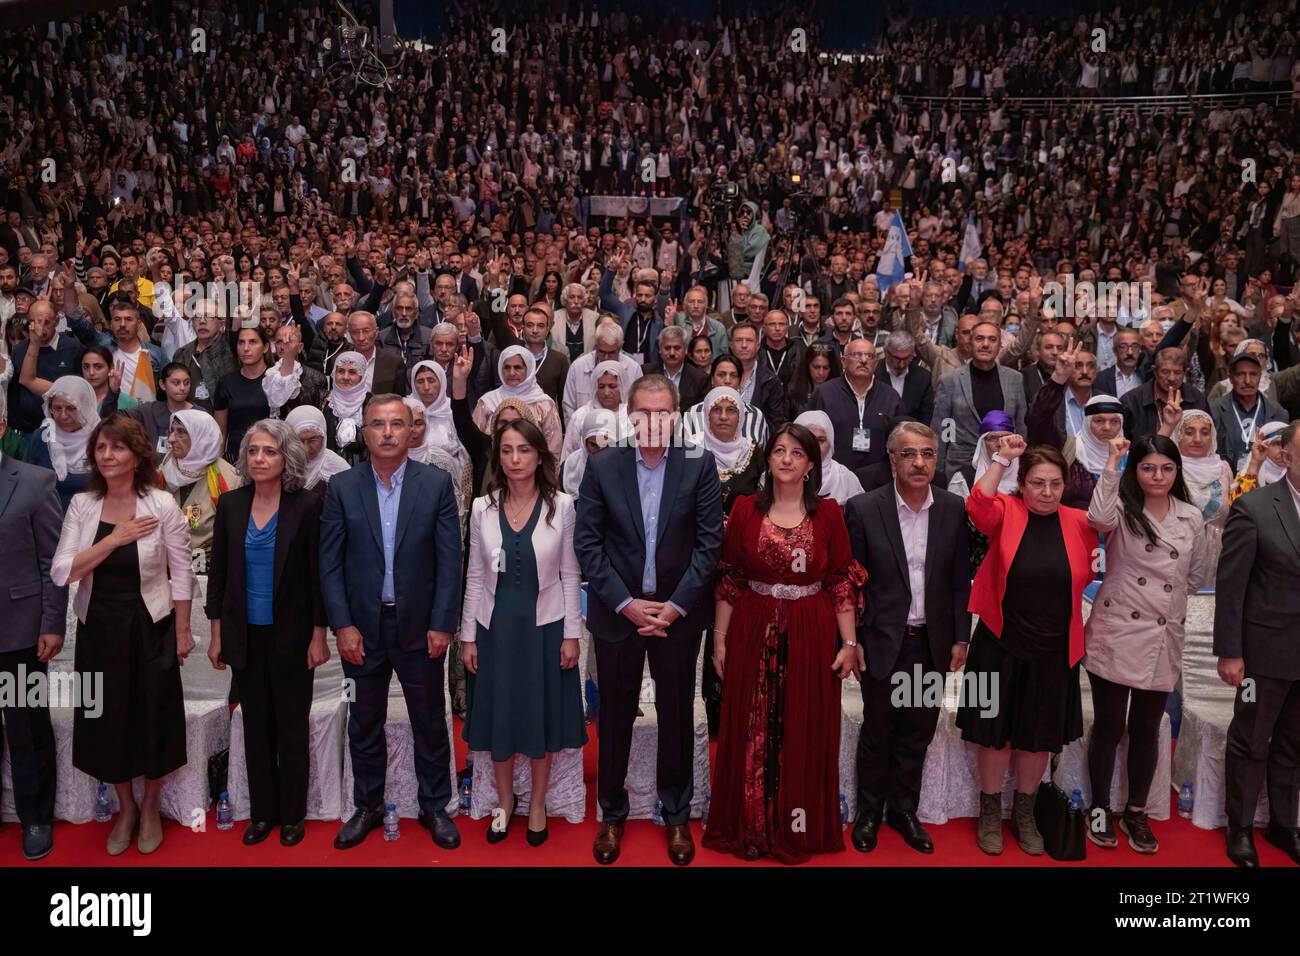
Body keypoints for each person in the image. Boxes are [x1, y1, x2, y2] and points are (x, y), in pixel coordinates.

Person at [575, 374, 723, 866]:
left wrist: (675, 606)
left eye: (664, 413)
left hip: (679, 617)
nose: (654, 422)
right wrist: (626, 603)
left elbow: (709, 545)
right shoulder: (602, 466)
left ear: (677, 416)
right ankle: (612, 814)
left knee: (678, 715)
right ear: (629, 416)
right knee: (614, 716)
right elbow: (589, 545)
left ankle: (676, 814)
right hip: (619, 615)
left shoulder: (700, 466)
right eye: (644, 413)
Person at [704, 423, 861, 863]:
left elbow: (839, 582)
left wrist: (849, 642)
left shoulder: (829, 514)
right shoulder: (744, 510)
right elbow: (731, 578)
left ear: (811, 464)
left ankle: (797, 827)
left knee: (802, 725)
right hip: (753, 627)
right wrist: (720, 639)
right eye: (779, 450)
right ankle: (750, 826)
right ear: (768, 459)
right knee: (751, 725)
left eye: (797, 452)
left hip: (810, 629)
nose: (787, 459)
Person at [320, 393, 463, 851]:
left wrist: (443, 624)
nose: (386, 432)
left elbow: (448, 561)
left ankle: (435, 805)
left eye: (396, 424)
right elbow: (330, 564)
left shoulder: (436, 485)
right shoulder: (342, 487)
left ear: (411, 430)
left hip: (420, 630)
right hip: (360, 632)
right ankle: (367, 806)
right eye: (377, 424)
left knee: (429, 720)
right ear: (364, 433)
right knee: (363, 719)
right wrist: (341, 625)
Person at [51, 414, 194, 855]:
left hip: (151, 623)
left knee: (154, 716)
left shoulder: (161, 505)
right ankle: (125, 806)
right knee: (105, 720)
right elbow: (62, 571)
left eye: (117, 447)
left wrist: (184, 631)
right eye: (101, 448)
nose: (108, 456)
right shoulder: (83, 505)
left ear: (136, 455)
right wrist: (116, 538)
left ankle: (151, 806)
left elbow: (182, 571)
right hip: (100, 628)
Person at [957, 438, 1098, 856]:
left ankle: (1024, 812)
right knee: (994, 734)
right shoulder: (1006, 510)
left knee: (1038, 738)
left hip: (1055, 649)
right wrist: (1003, 458)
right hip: (1000, 642)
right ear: (1023, 484)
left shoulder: (1079, 521)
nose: (1048, 492)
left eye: (1055, 484)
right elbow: (976, 504)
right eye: (1038, 483)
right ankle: (988, 812)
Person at [844, 421, 971, 855]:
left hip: (931, 642)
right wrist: (853, 639)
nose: (920, 463)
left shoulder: (954, 509)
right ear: (892, 459)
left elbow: (959, 580)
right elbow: (851, 585)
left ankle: (904, 811)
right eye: (909, 454)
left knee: (918, 731)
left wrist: (960, 636)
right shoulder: (863, 509)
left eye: (928, 454)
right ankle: (867, 814)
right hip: (882, 640)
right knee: (879, 730)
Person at [1083, 433, 1212, 854]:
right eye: (1148, 467)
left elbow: (1194, 576)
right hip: (1119, 627)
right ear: (1134, 472)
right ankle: (1099, 809)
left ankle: (1136, 812)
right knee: (1108, 726)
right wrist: (1111, 463)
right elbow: (1097, 520)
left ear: (1177, 472)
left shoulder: (1192, 516)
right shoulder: (1121, 507)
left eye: (1166, 467)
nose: (1158, 475)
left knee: (1145, 729)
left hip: (1162, 632)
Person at [460, 419, 586, 845]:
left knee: (541, 713)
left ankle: (536, 803)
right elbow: (475, 576)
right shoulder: (483, 508)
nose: (515, 459)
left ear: (539, 456)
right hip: (494, 629)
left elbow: (571, 575)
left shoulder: (563, 506)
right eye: (507, 450)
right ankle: (504, 800)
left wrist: (573, 635)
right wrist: (467, 636)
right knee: (498, 713)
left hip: (545, 630)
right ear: (498, 456)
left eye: (524, 450)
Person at [206, 419, 329, 848]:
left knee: (291, 727)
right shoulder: (231, 504)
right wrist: (216, 633)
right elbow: (218, 574)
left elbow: (318, 577)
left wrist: (319, 634)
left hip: (293, 636)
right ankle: (262, 813)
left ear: (287, 457)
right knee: (255, 727)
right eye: (253, 451)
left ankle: (293, 813)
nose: (259, 458)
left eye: (269, 451)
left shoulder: (308, 505)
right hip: (244, 635)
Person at [1214, 420, 1300, 868]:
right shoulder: (1254, 508)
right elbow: (1231, 588)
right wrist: (1230, 652)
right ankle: (1240, 827)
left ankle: (1285, 825)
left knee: (1293, 742)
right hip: (1263, 652)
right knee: (1251, 740)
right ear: (1285, 455)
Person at [0, 389, 68, 861]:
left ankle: (36, 817)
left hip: (20, 629)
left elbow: (55, 564)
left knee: (26, 727)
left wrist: (51, 624)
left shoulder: (35, 481)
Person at [931, 320, 1029, 483]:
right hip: (961, 468)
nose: (985, 344)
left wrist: (1021, 462)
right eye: (979, 339)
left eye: (992, 339)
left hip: (1005, 466)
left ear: (1000, 345)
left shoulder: (1015, 379)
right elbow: (943, 429)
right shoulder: (950, 380)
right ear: (970, 344)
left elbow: (1020, 426)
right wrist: (938, 472)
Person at [160, 409, 242, 574]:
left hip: (207, 569)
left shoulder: (229, 480)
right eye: (172, 431)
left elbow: (234, 536)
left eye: (181, 432)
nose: (171, 439)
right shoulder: (162, 471)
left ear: (202, 438)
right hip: (163, 566)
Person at [807, 338, 903, 473]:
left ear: (875, 363)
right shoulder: (825, 393)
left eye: (869, 356)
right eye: (856, 355)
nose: (863, 360)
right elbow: (808, 437)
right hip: (833, 476)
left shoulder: (890, 396)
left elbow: (898, 441)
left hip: (877, 478)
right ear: (843, 361)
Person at [473, 346, 564, 457]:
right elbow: (474, 439)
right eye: (507, 367)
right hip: (493, 465)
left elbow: (553, 446)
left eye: (517, 367)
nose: (512, 373)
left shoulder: (544, 404)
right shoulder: (488, 402)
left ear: (529, 369)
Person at [24, 376, 99, 509]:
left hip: (91, 518)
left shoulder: (101, 439)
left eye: (71, 408)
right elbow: (26, 482)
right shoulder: (43, 437)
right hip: (47, 521)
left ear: (85, 407)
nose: (63, 416)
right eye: (57, 408)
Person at [1163, 408, 1233, 527]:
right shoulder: (1168, 468)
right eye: (1189, 433)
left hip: (1220, 543)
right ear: (1177, 436)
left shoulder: (1223, 468)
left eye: (1205, 433)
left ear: (1212, 437)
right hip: (1179, 542)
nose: (1197, 439)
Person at [213, 326, 273, 464]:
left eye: (253, 342)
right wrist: (218, 463)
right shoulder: (226, 382)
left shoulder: (276, 380)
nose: (246, 348)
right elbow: (220, 431)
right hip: (235, 456)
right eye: (241, 342)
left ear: (265, 347)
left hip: (269, 454)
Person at [794, 410, 866, 504]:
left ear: (830, 443)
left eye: (820, 440)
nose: (814, 446)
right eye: (807, 439)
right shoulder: (782, 472)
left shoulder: (845, 478)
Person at [127, 362, 195, 460]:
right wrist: (113, 393)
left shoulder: (199, 415)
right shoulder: (149, 410)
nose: (182, 388)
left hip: (189, 472)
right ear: (162, 384)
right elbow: (115, 418)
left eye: (186, 382)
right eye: (176, 383)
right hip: (154, 472)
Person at [285, 405, 350, 493]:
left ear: (323, 438)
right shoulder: (280, 464)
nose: (306, 448)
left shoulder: (338, 469)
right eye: (300, 441)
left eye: (313, 440)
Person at [323, 351, 370, 463]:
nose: (345, 377)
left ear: (362, 376)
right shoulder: (325, 401)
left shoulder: (371, 403)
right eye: (340, 371)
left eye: (352, 372)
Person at [1230, 420, 1289, 501]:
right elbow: (1237, 503)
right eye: (1277, 444)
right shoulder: (1248, 474)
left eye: (1286, 444)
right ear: (1264, 445)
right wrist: (1255, 463)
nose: (1283, 450)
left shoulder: (1295, 476)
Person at [786, 343, 841, 420]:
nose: (821, 373)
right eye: (816, 367)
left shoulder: (840, 392)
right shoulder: (793, 391)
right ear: (807, 366)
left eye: (826, 368)